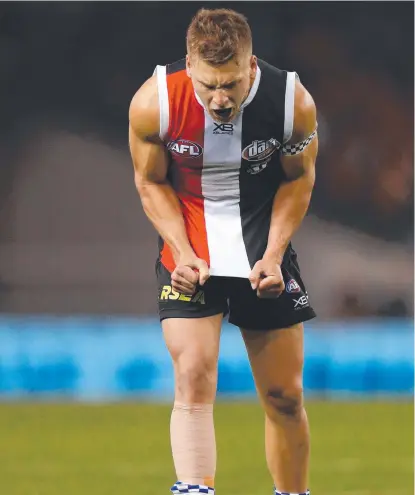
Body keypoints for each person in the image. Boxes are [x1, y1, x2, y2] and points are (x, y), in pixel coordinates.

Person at [128, 7, 318, 495]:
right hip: (189, 249)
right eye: (209, 84)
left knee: (285, 397)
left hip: (262, 249)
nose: (220, 99)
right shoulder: (155, 102)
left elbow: (299, 181)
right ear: (189, 64)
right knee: (192, 375)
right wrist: (180, 250)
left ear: (250, 66)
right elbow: (150, 182)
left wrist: (275, 253)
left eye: (231, 84)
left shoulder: (290, 103)